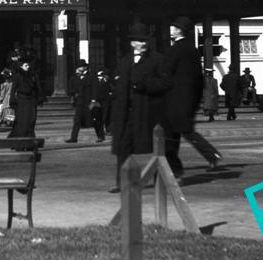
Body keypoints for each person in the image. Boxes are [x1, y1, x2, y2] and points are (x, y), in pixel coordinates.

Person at [108, 23, 172, 192]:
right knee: (123, 148)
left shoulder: (158, 59)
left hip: (147, 112)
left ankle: (161, 181)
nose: (143, 43)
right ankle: (121, 183)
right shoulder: (124, 61)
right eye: (139, 40)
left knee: (156, 148)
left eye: (145, 40)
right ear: (132, 43)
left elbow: (165, 83)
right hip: (125, 114)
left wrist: (145, 84)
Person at [161, 16, 224, 178]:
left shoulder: (175, 49)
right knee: (181, 132)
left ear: (178, 30)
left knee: (178, 132)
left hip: (176, 99)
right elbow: (197, 78)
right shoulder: (192, 49)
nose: (170, 30)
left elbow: (166, 72)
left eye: (173, 27)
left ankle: (176, 168)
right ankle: (210, 156)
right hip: (188, 99)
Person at [8, 60, 44, 138]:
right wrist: (12, 100)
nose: (28, 67)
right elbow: (13, 89)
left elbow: (37, 88)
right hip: (21, 101)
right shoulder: (17, 76)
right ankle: (20, 141)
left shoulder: (33, 76)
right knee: (22, 121)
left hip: (31, 100)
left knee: (31, 121)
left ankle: (29, 141)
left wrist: (39, 97)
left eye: (28, 65)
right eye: (26, 65)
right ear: (21, 66)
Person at [65, 61, 94, 143]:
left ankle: (100, 136)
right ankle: (73, 138)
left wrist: (93, 101)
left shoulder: (90, 76)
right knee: (77, 120)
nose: (79, 68)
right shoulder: (74, 77)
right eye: (78, 67)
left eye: (81, 67)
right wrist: (75, 93)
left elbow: (93, 89)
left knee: (94, 119)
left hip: (89, 102)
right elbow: (70, 89)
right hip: (79, 102)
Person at [90, 68, 112, 141]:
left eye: (101, 75)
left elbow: (111, 90)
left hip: (104, 102)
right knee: (96, 120)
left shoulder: (106, 82)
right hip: (96, 102)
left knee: (102, 119)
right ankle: (100, 135)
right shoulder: (94, 82)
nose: (100, 77)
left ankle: (101, 136)